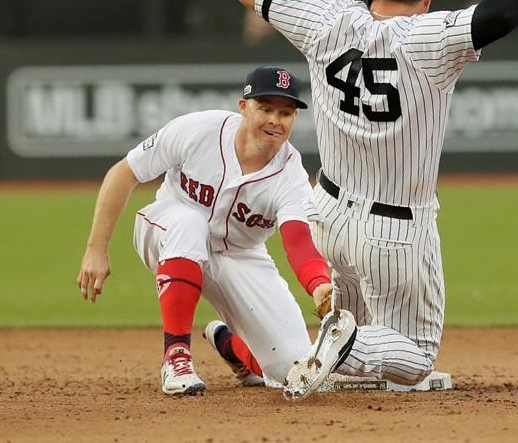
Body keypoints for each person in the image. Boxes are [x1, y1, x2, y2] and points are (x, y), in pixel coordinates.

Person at [231, 0, 518, 399]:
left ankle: (346, 348)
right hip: (394, 230)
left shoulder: (326, 17)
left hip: (328, 214)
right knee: (417, 356)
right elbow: (499, 13)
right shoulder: (430, 36)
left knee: (355, 319)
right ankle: (348, 346)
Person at [77, 66, 333, 395]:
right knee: (190, 222)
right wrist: (96, 248)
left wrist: (319, 285)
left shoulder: (291, 176)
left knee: (296, 369)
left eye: (285, 112)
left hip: (240, 256)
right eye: (265, 108)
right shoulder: (199, 130)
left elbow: (298, 241)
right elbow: (125, 172)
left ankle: (230, 344)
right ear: (244, 106)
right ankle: (176, 356)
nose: (275, 120)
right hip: (166, 230)